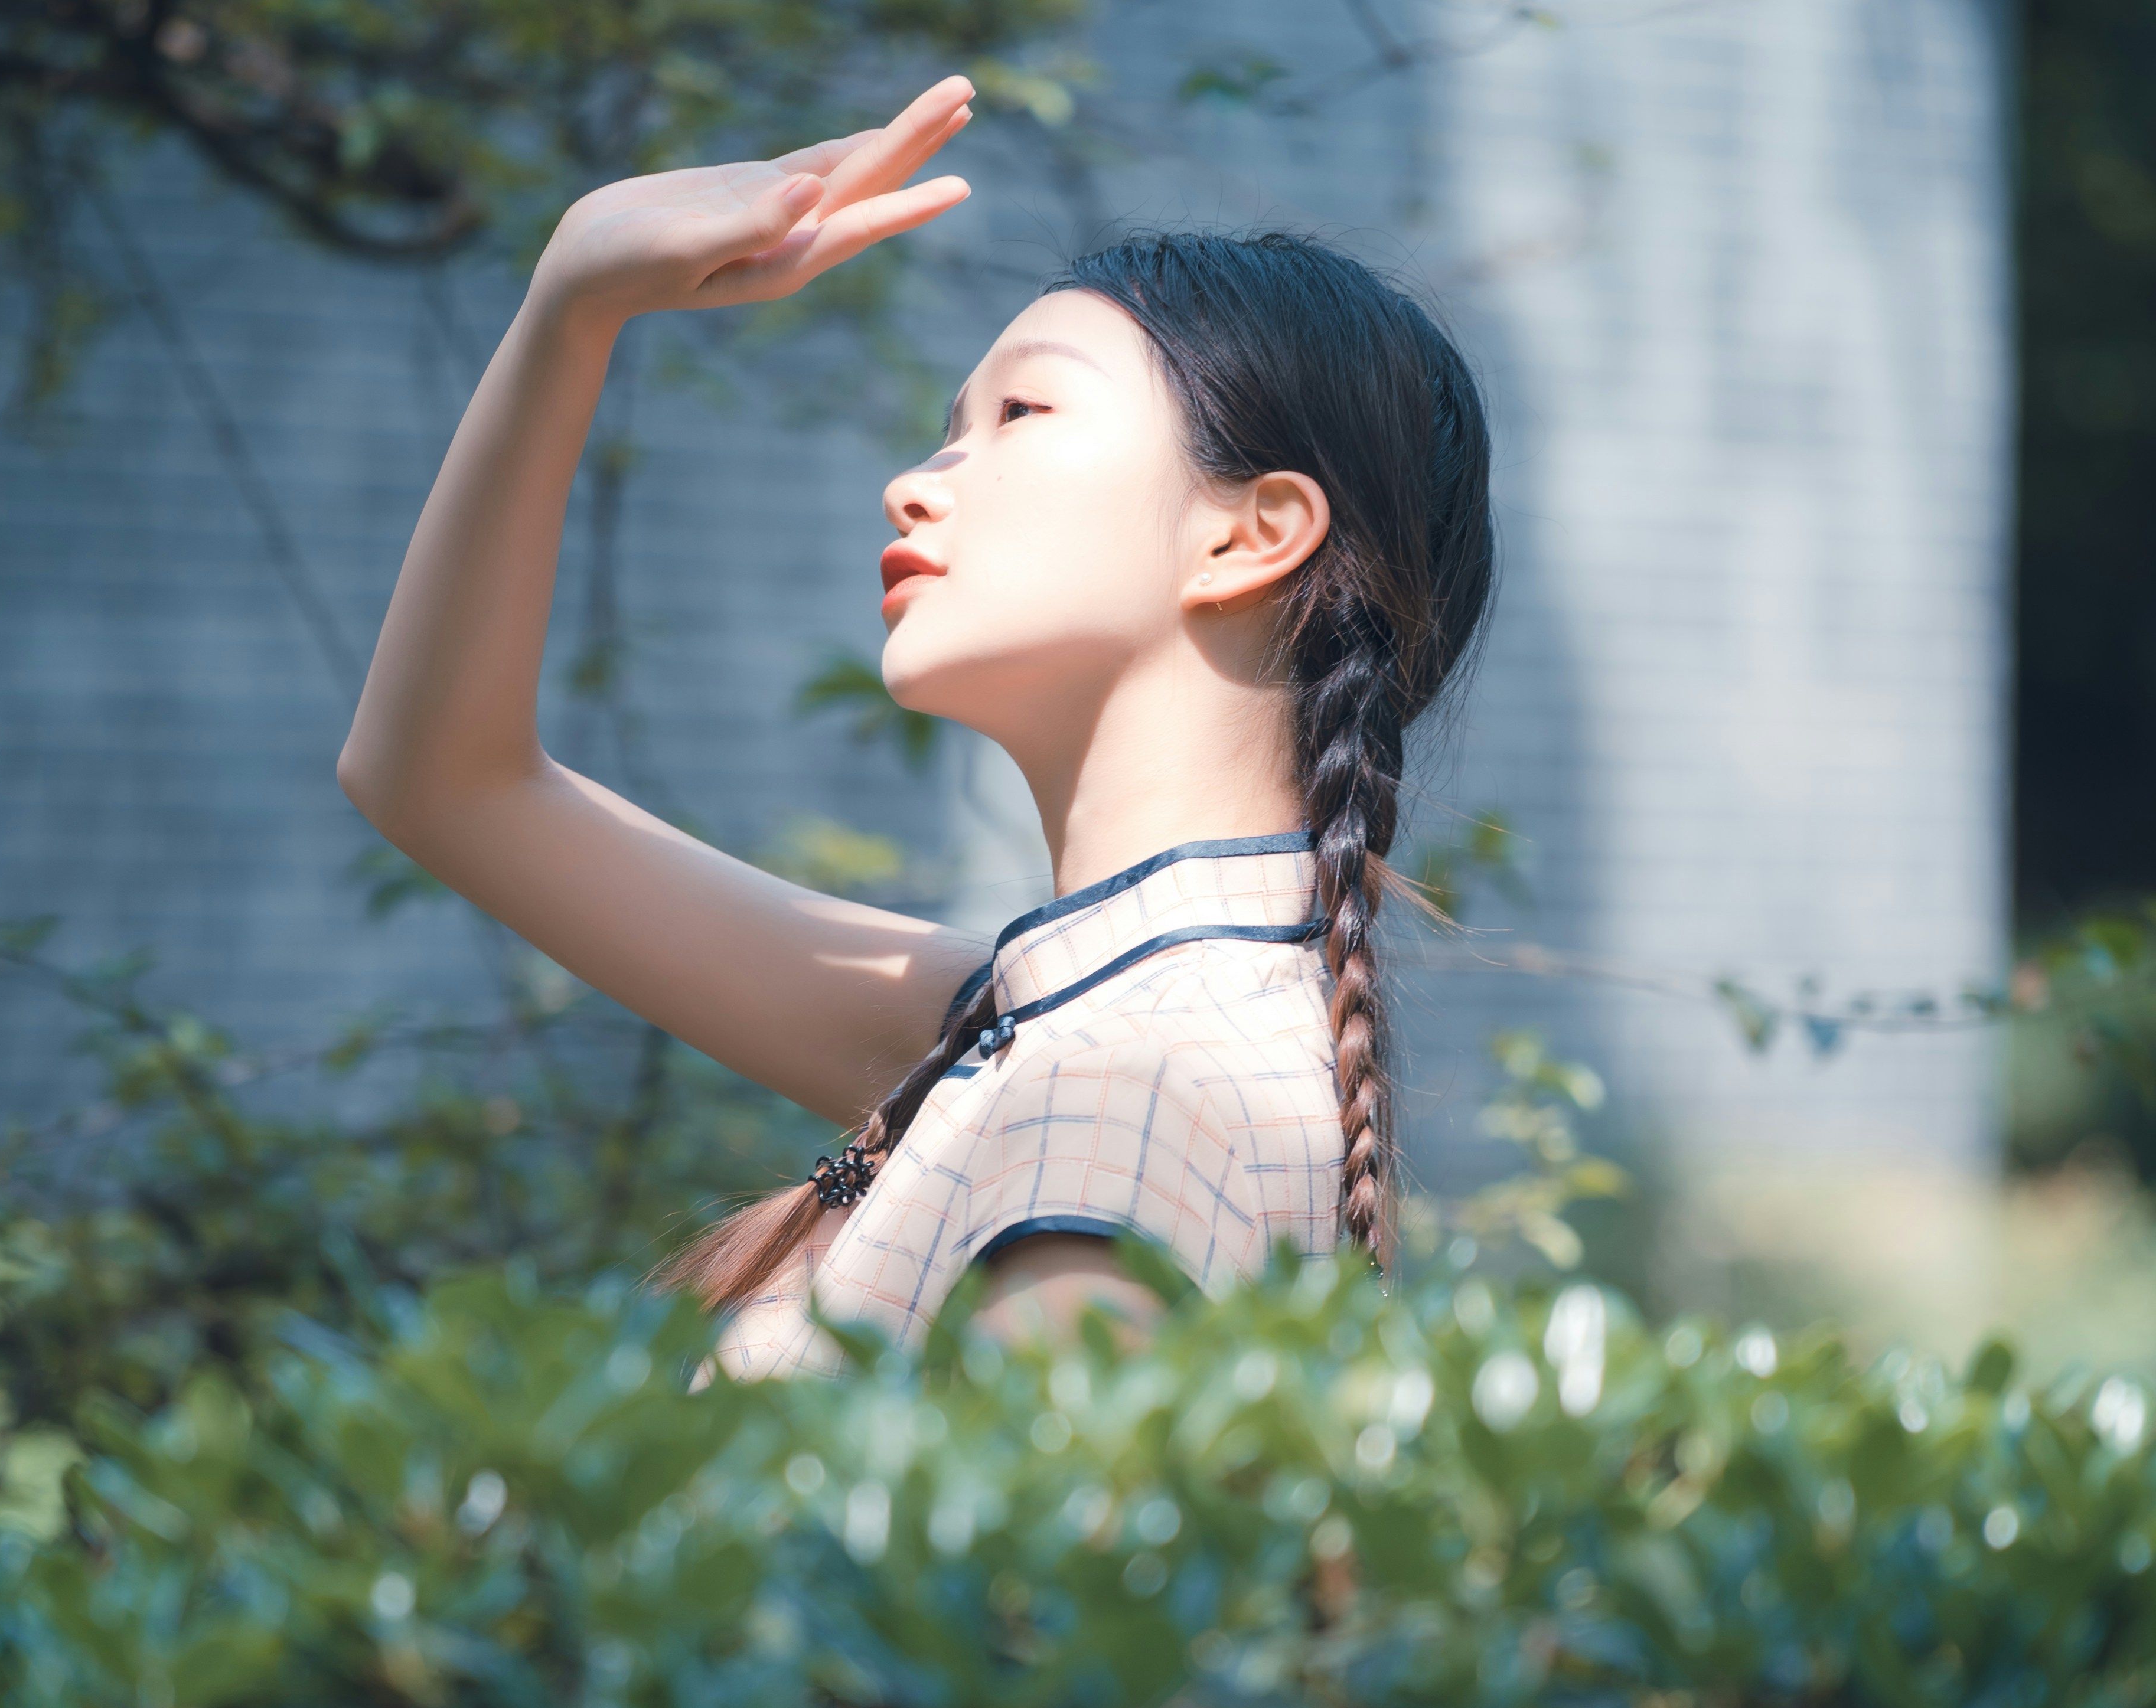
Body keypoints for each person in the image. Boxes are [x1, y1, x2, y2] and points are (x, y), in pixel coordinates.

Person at [337, 76, 1496, 1369]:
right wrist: (574, 302)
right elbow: (441, 781)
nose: (912, 486)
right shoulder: (1049, 1025)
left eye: (1019, 415)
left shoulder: (1121, 1090)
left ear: (1249, 533)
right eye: (946, 429)